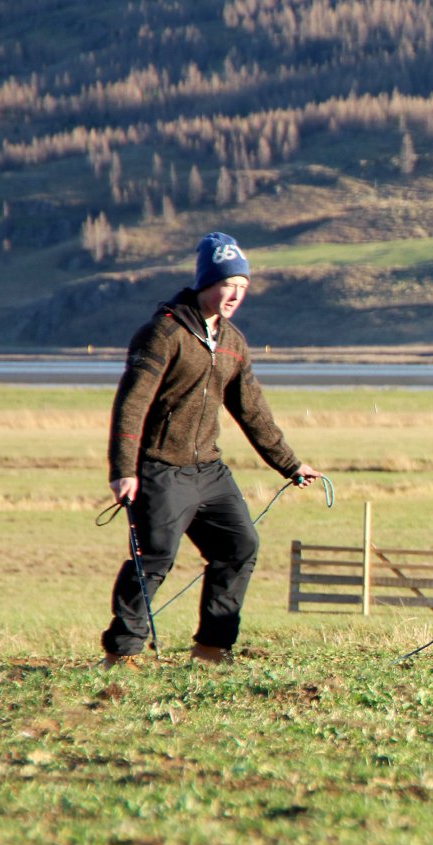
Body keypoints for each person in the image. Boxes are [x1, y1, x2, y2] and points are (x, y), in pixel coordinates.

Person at [101, 231, 322, 668]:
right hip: (161, 468)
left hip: (209, 472)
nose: (235, 294)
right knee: (156, 558)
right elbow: (132, 404)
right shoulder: (163, 333)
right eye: (227, 284)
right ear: (206, 283)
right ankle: (121, 654)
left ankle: (212, 649)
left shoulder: (234, 343)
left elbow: (253, 411)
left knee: (240, 546)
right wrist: (124, 470)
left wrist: (290, 465)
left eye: (242, 287)